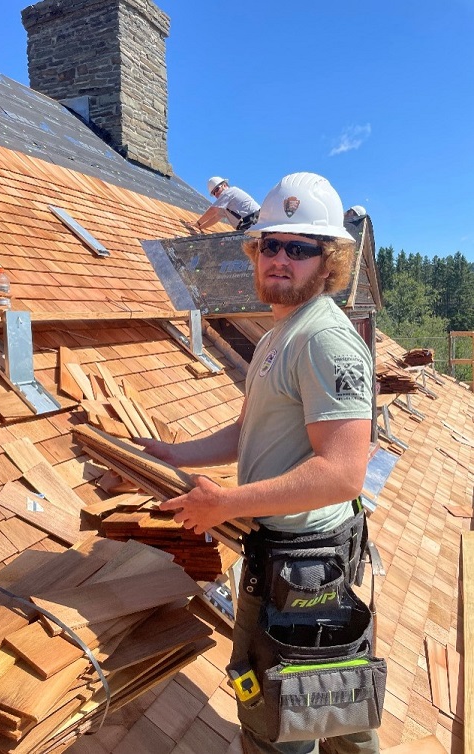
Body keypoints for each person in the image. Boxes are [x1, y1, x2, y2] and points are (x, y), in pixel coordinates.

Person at [138, 172, 379, 754]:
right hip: (287, 557)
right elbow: (251, 431)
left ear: (329, 263)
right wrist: (174, 453)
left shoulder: (326, 340)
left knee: (282, 717)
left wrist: (225, 504)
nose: (279, 258)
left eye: (299, 248)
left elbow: (344, 472)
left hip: (307, 567)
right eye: (270, 244)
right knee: (331, 703)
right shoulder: (279, 333)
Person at [194, 176, 261, 232]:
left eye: (217, 189)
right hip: (248, 224)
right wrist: (200, 227)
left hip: (253, 221)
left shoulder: (229, 192)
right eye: (213, 193)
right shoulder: (225, 205)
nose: (216, 194)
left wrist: (198, 223)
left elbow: (213, 210)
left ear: (224, 185)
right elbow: (216, 217)